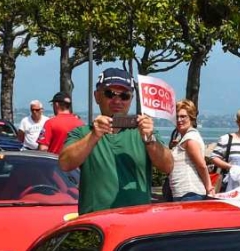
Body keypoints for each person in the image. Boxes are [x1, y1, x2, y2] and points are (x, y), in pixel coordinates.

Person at [59, 67, 173, 215]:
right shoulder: (82, 133)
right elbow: (65, 163)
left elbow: (168, 166)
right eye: (109, 94)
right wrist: (94, 135)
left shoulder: (143, 133)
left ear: (131, 99)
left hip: (136, 222)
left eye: (124, 96)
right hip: (95, 224)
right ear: (97, 96)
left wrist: (150, 139)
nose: (117, 100)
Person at [166, 99, 214, 202]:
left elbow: (201, 165)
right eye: (177, 117)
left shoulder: (190, 139)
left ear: (191, 118)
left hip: (189, 192)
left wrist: (209, 187)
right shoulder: (185, 138)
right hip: (184, 192)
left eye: (183, 116)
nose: (179, 120)